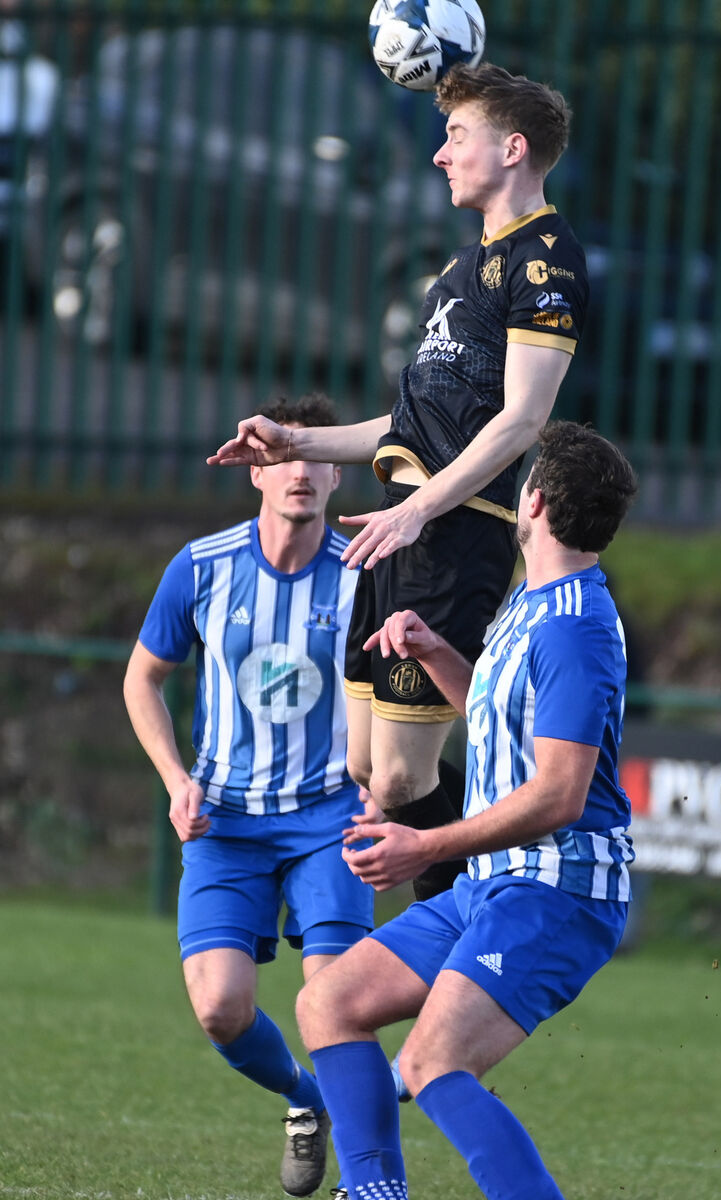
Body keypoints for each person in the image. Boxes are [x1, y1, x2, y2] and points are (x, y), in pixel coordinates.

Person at [208, 62, 589, 902]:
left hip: (452, 534)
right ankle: (474, 897)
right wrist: (293, 440)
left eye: (457, 136)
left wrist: (419, 510)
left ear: (513, 149)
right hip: (398, 528)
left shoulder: (545, 264)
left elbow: (523, 419)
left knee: (400, 785)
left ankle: (479, 916)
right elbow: (407, 424)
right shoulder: (458, 272)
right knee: (362, 765)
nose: (439, 155)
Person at [293, 420, 637, 1200]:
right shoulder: (535, 599)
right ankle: (374, 1190)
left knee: (431, 1064)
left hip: (558, 892)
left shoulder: (576, 629)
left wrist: (426, 846)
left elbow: (560, 795)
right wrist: (435, 653)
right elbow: (499, 719)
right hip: (496, 882)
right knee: (330, 1002)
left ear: (535, 500)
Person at [123, 395, 375, 1196]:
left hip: (329, 819)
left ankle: (370, 1181)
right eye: (279, 456)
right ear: (253, 471)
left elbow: (399, 695)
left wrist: (384, 792)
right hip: (225, 821)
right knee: (220, 1010)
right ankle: (307, 1102)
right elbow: (143, 679)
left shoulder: (367, 572)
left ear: (337, 471)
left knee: (335, 1001)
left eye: (314, 457)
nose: (298, 470)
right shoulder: (202, 567)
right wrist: (175, 780)